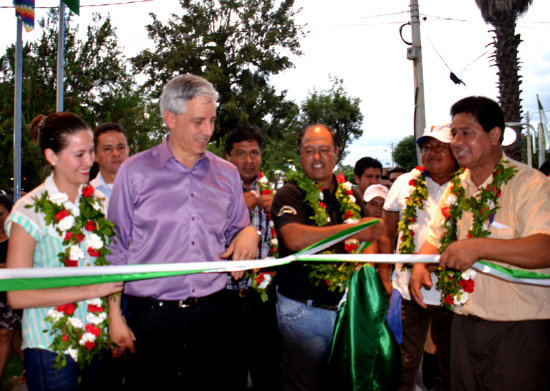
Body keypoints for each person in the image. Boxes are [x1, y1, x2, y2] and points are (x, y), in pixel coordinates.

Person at [106, 74, 259, 390]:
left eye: (212, 121)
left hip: (214, 314)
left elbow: (238, 227)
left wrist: (249, 233)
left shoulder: (227, 175)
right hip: (151, 319)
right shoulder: (134, 173)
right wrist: (113, 315)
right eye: (198, 121)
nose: (208, 131)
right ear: (170, 119)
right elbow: (115, 247)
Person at [411, 96, 550, 390]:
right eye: (455, 133)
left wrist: (479, 246)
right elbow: (435, 235)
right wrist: (421, 263)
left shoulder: (531, 185)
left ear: (495, 136)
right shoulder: (458, 187)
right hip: (463, 326)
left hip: (518, 331)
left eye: (467, 133)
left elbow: (544, 248)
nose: (456, 142)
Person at [5, 112, 124, 391]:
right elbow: (17, 295)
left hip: (97, 339)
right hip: (50, 346)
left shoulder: (100, 204)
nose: (90, 161)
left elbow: (113, 267)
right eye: (79, 154)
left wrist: (116, 317)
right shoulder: (28, 211)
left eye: (91, 151)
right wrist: (91, 290)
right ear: (51, 156)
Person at [272, 124, 383, 390]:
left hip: (346, 309)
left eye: (324, 150)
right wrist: (349, 231)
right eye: (309, 151)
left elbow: (369, 239)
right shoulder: (290, 193)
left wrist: (370, 280)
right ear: (300, 155)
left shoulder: (349, 195)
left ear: (336, 153)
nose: (317, 157)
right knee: (305, 384)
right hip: (302, 312)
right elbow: (294, 238)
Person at [381, 124, 457, 391]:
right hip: (407, 292)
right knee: (403, 364)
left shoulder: (468, 184)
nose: (432, 152)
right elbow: (386, 234)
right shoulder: (404, 183)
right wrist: (384, 279)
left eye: (440, 146)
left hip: (456, 296)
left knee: (454, 368)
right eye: (427, 147)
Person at [224, 124, 280, 390]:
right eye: (240, 153)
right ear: (227, 158)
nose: (248, 160)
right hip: (224, 300)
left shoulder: (275, 194)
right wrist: (234, 209)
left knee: (267, 373)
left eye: (254, 153)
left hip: (264, 300)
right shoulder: (214, 194)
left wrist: (278, 211)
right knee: (228, 373)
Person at [0, 195, 24, 383]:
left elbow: (19, 263)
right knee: (14, 336)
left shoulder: (15, 234)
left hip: (11, 292)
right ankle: (30, 368)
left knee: (5, 335)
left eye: (2, 213)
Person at [89, 123, 130, 199]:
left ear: (128, 151)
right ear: (95, 156)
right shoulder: (86, 196)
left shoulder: (146, 189)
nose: (116, 153)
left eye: (121, 148)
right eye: (108, 149)